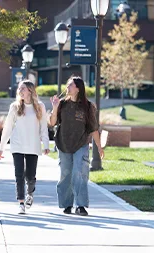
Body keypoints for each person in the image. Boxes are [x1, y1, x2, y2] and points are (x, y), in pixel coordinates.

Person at [49, 76, 104, 216]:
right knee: (66, 175)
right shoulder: (62, 104)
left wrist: (99, 146)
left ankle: (80, 205)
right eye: (67, 85)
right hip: (64, 144)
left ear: (78, 89)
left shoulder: (88, 107)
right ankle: (67, 204)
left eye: (71, 85)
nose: (67, 87)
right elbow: (52, 122)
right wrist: (54, 108)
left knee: (79, 173)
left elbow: (93, 128)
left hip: (81, 144)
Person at [0, 80, 50, 214]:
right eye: (19, 89)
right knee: (19, 175)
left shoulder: (40, 106)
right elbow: (8, 127)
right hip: (17, 145)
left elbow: (43, 126)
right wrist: (2, 147)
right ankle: (21, 202)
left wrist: (46, 144)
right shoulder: (15, 107)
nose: (20, 91)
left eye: (23, 89)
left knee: (30, 176)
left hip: (33, 145)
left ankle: (30, 194)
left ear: (30, 91)